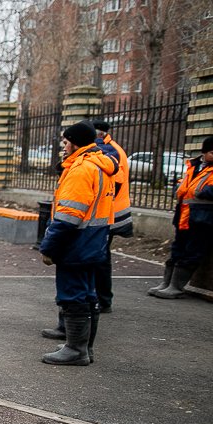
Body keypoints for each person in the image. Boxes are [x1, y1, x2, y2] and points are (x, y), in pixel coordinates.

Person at [38, 121, 115, 366]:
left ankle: (76, 349)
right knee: (88, 295)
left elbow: (67, 217)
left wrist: (49, 247)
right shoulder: (100, 165)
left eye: (65, 142)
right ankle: (83, 348)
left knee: (73, 295)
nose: (63, 147)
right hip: (93, 240)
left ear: (74, 143)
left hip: (76, 243)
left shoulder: (81, 170)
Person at [149, 136, 213, 299]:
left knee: (193, 250)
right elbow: (184, 186)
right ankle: (167, 282)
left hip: (203, 217)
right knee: (178, 248)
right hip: (184, 214)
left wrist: (203, 192)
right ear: (204, 152)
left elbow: (204, 191)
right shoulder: (193, 166)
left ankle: (176, 286)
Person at [92, 120, 131, 312]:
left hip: (109, 213)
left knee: (100, 257)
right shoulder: (111, 148)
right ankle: (101, 298)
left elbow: (114, 182)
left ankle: (103, 300)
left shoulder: (109, 151)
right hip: (110, 212)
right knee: (101, 256)